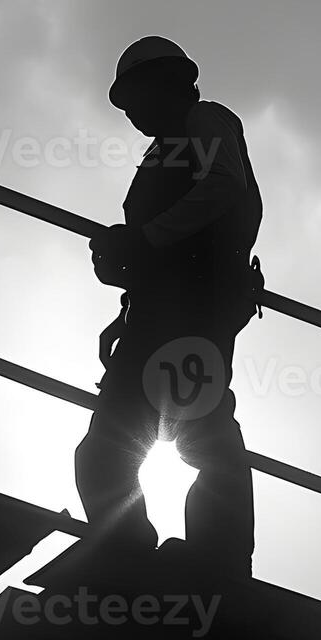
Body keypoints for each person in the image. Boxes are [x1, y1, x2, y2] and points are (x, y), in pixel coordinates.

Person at [76, 36, 263, 578]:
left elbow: (223, 188)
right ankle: (127, 553)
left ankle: (218, 562)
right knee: (105, 451)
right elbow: (163, 242)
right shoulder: (161, 152)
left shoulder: (204, 122)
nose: (131, 113)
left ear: (169, 82)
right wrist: (126, 299)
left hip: (195, 315)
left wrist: (146, 240)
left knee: (203, 437)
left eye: (134, 97)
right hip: (157, 316)